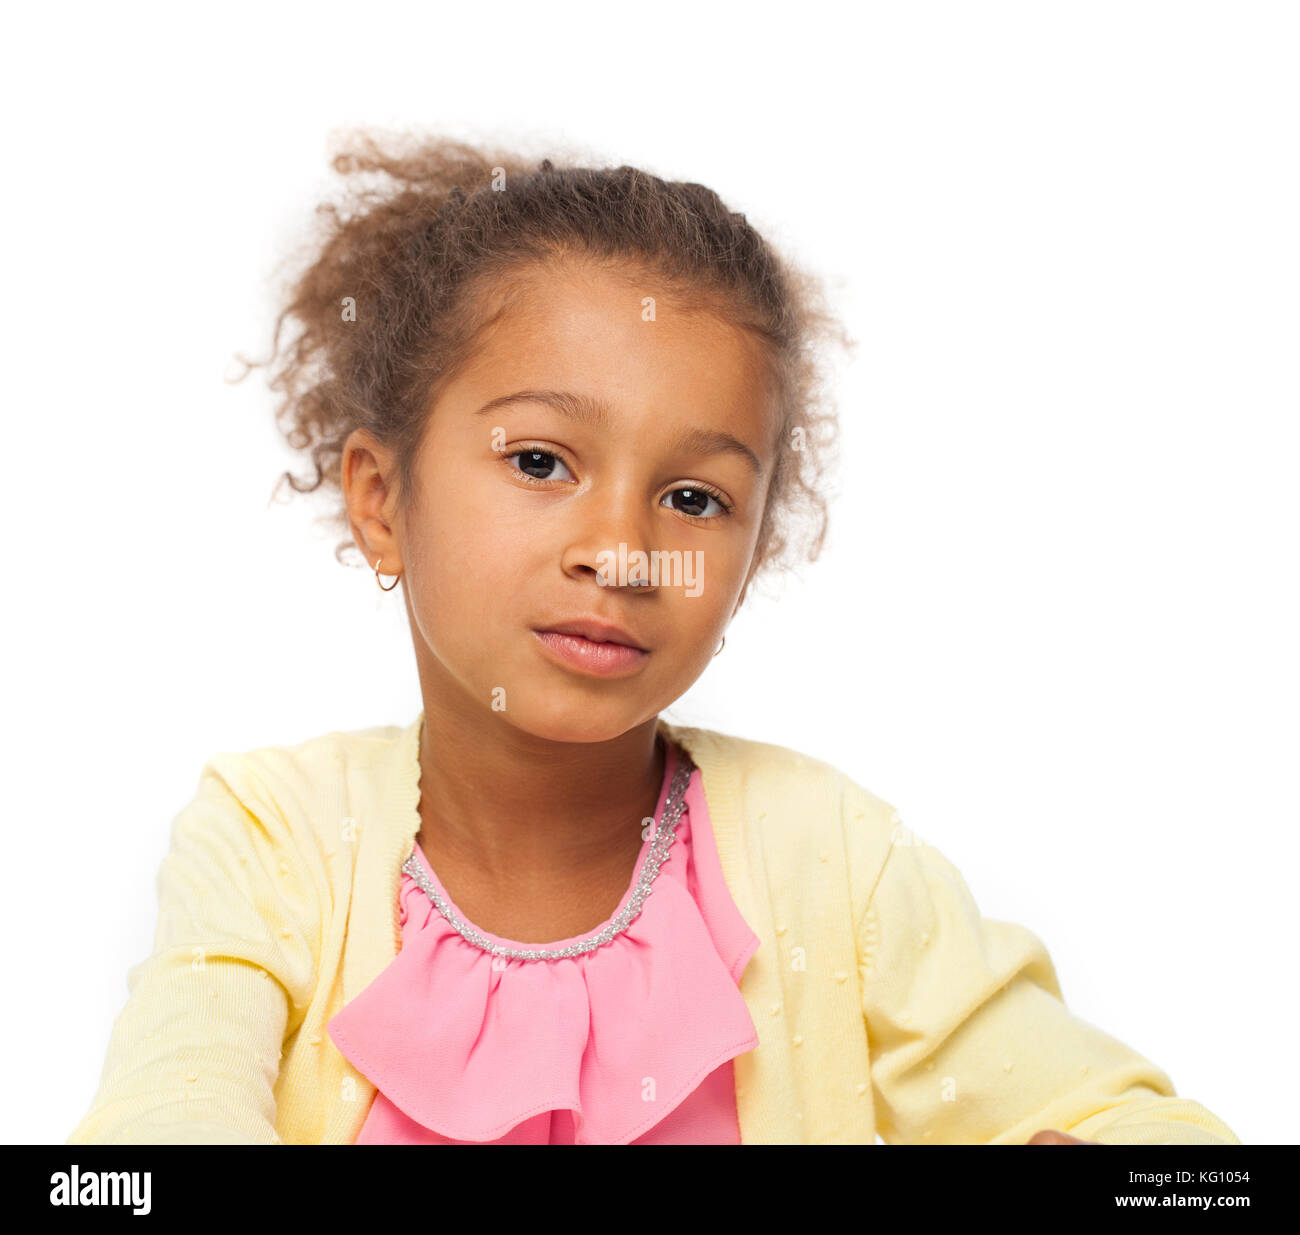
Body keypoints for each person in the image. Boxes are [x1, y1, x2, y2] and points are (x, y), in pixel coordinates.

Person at [66, 134, 1239, 1145]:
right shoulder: (273, 840)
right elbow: (160, 1124)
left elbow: (1168, 1150)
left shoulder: (829, 858)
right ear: (381, 498)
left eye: (693, 497)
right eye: (540, 462)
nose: (621, 549)